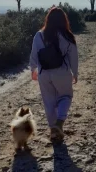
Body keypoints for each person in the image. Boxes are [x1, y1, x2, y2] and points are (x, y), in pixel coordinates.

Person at [29, 7, 78, 140]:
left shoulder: (39, 35)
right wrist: (75, 73)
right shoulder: (67, 36)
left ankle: (53, 131)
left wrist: (33, 69)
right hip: (62, 72)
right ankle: (59, 123)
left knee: (49, 102)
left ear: (48, 19)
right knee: (66, 96)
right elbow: (73, 57)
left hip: (44, 73)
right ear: (64, 20)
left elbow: (34, 54)